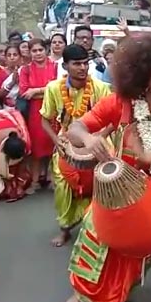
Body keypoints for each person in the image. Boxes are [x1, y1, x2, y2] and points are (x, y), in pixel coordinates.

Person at [62, 32, 151, 302]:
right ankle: (83, 291)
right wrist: (90, 140)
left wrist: (150, 157)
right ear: (140, 72)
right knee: (98, 236)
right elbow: (76, 128)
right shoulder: (120, 102)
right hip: (121, 185)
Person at [39, 44, 110, 247]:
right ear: (65, 66)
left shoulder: (100, 88)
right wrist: (56, 140)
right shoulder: (53, 88)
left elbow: (111, 120)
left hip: (97, 141)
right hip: (66, 144)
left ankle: (99, 229)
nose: (82, 68)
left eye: (85, 63)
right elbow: (45, 119)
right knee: (62, 186)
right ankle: (65, 229)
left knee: (103, 186)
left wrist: (101, 138)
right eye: (77, 64)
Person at [18, 38, 57, 193]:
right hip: (35, 112)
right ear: (30, 52)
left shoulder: (55, 66)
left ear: (46, 50)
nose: (38, 53)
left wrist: (36, 91)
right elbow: (24, 92)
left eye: (40, 50)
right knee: (36, 146)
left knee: (54, 143)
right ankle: (34, 181)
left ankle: (53, 178)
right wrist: (45, 91)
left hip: (53, 109)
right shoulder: (25, 70)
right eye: (34, 51)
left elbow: (58, 88)